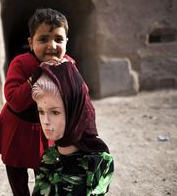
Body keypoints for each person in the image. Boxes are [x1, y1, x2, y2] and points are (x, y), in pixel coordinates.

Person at [0, 8, 81, 196]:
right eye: (43, 39)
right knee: (17, 173)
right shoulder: (21, 64)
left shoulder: (68, 64)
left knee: (45, 175)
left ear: (66, 42)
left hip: (45, 129)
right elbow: (14, 101)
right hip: (17, 127)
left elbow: (77, 96)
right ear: (31, 43)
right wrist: (37, 74)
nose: (52, 45)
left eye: (58, 39)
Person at [31, 62, 114, 196]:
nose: (45, 122)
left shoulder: (97, 162)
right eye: (41, 111)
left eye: (55, 112)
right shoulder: (48, 157)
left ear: (74, 112)